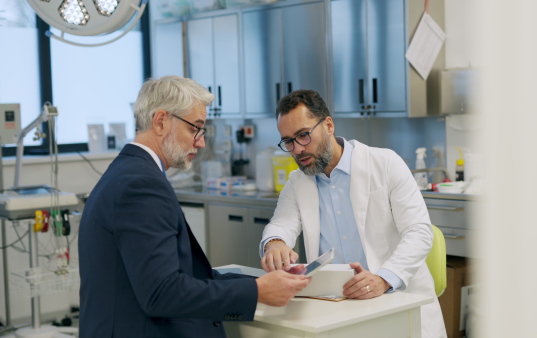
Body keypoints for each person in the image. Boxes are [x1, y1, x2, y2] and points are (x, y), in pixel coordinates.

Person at [78, 76, 310, 338]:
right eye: (194, 129)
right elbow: (161, 293)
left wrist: (262, 284)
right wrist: (257, 293)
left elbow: (184, 276)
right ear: (161, 121)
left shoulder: (127, 172)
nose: (200, 142)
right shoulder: (141, 185)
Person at [260, 89, 446, 337]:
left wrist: (383, 279)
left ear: (328, 125)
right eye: (288, 141)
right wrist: (275, 243)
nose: (297, 150)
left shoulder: (385, 163)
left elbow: (419, 232)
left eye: (303, 136)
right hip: (338, 307)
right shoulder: (297, 182)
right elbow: (282, 223)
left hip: (397, 301)